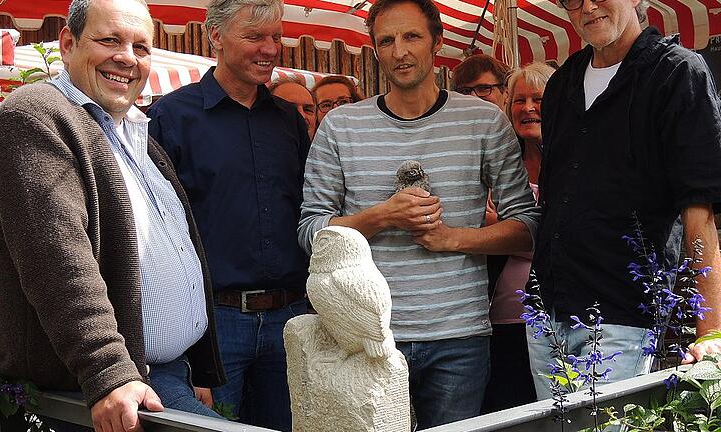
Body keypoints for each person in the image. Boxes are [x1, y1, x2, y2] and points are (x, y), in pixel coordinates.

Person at [0, 0, 225, 430]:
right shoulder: (36, 114)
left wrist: (193, 364)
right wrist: (106, 371)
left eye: (141, 47)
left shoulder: (133, 129)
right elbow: (57, 261)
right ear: (68, 44)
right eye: (110, 39)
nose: (127, 58)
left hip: (159, 378)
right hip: (96, 391)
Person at [297, 0, 539, 427]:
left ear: (438, 43)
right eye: (386, 40)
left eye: (412, 37)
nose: (399, 51)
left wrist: (452, 238)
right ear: (375, 50)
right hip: (366, 336)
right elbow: (310, 231)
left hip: (459, 336)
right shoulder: (341, 126)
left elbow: (528, 227)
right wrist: (383, 216)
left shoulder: (483, 120)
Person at [529, 0, 721, 400]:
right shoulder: (562, 82)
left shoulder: (676, 72)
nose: (588, 6)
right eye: (573, 0)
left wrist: (712, 333)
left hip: (623, 313)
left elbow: (699, 211)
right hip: (548, 310)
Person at [147, 0, 310, 429]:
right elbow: (156, 232)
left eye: (276, 36)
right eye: (255, 37)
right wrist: (194, 354)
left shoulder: (289, 121)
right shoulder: (171, 117)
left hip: (291, 319)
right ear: (215, 36)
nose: (270, 49)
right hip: (215, 325)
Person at [481, 62, 555, 413]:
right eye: (519, 100)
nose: (527, 108)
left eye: (538, 99)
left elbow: (567, 239)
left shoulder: (573, 163)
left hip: (558, 319)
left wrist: (504, 230)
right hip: (498, 319)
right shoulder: (496, 164)